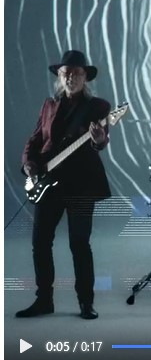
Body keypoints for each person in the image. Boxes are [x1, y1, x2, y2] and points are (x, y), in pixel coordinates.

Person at [18, 50, 112, 320]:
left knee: (79, 244)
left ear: (85, 77)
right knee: (40, 243)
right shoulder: (49, 105)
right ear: (59, 77)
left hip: (82, 184)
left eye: (77, 73)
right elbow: (35, 139)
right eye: (66, 73)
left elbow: (100, 143)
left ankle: (86, 302)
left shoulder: (99, 107)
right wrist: (29, 163)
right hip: (48, 182)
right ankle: (44, 301)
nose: (71, 77)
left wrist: (99, 139)